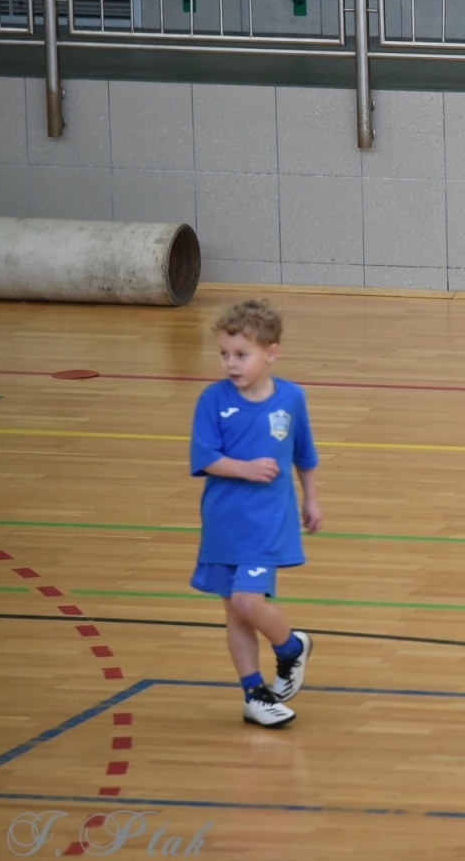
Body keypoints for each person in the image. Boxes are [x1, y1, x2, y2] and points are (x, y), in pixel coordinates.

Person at [189, 299, 321, 727]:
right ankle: (253, 693)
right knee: (235, 611)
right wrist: (243, 468)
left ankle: (289, 648)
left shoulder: (291, 398)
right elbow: (204, 457)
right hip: (224, 521)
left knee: (248, 600)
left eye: (241, 355)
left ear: (271, 353)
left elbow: (305, 455)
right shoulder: (212, 400)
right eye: (224, 354)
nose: (231, 363)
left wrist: (311, 499)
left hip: (268, 522)